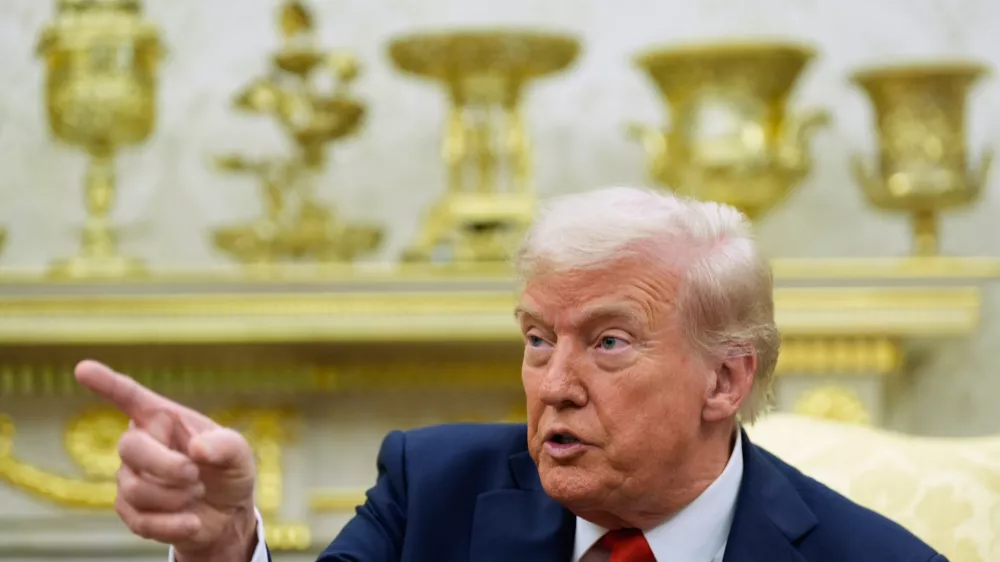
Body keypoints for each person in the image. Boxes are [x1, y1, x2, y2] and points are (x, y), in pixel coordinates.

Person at [75, 186, 948, 562]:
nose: (554, 384)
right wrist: (224, 546)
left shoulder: (871, 559)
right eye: (537, 339)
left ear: (724, 382)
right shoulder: (433, 491)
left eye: (608, 343)